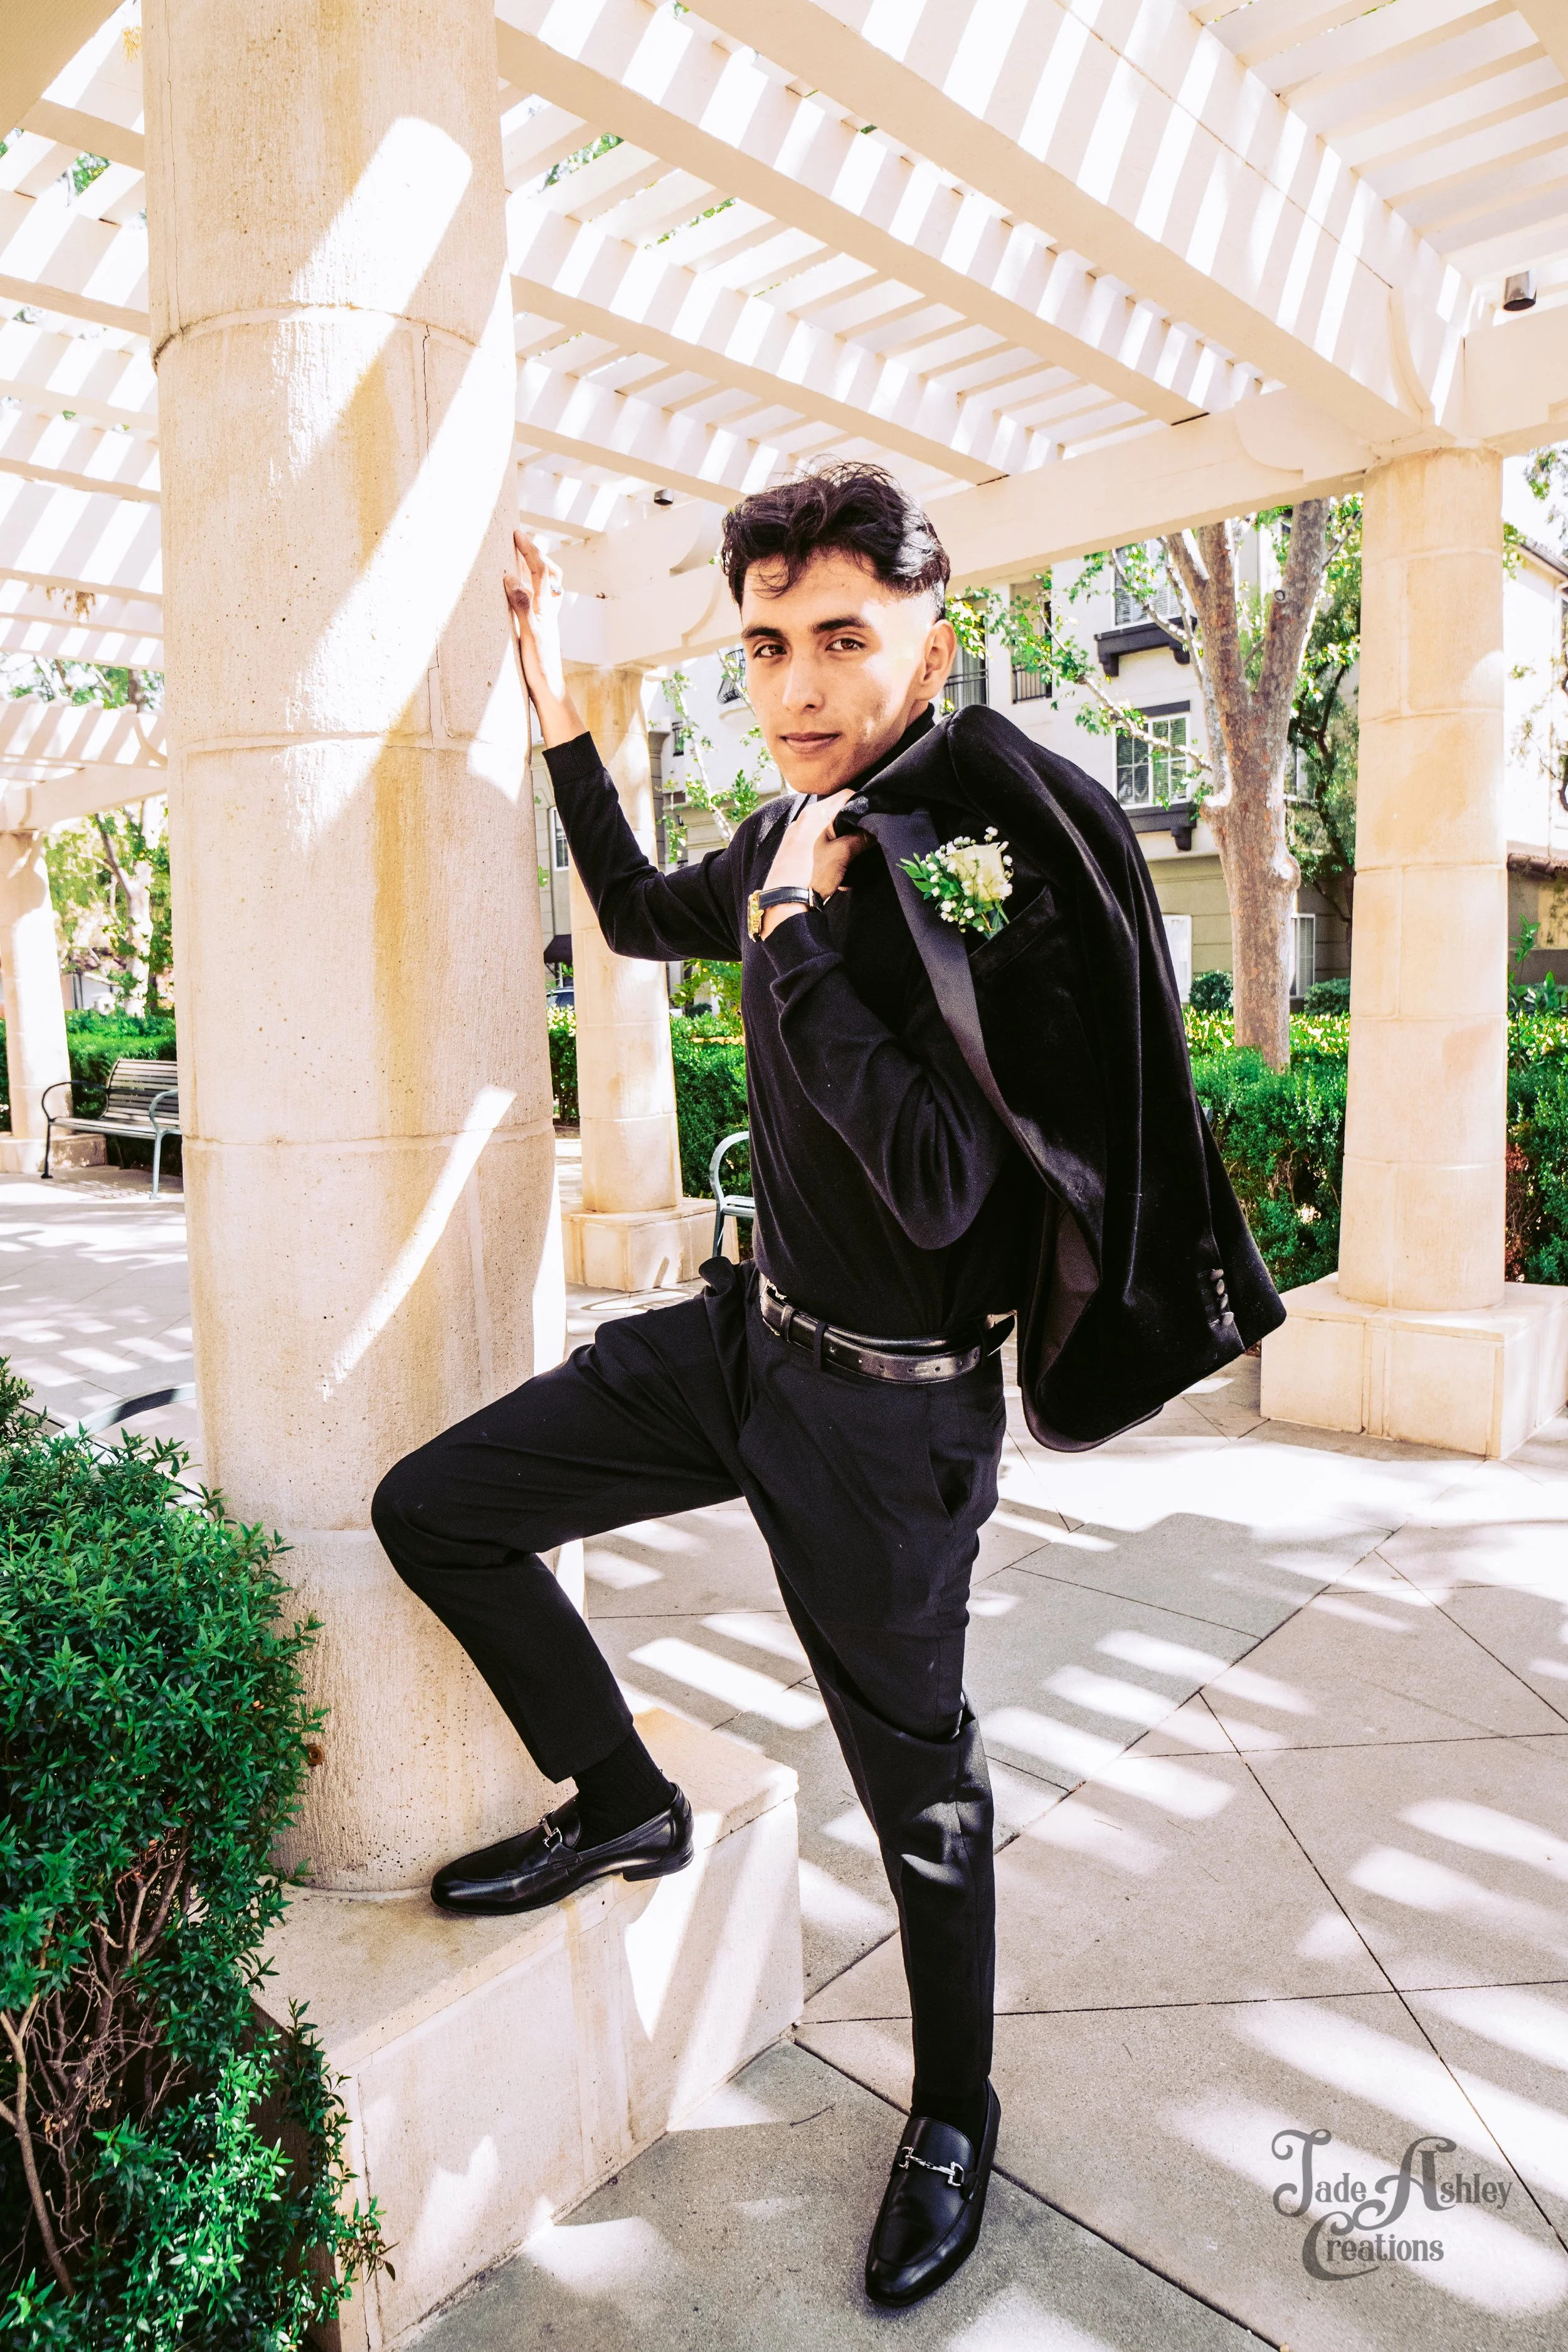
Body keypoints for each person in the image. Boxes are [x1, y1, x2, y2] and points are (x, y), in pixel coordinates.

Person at [372, 460, 1281, 2309]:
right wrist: (559, 703)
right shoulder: (801, 822)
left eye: (841, 639)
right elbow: (630, 910)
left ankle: (955, 2108)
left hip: (892, 1422)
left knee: (917, 1792)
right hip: (739, 1346)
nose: (796, 682)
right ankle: (621, 1794)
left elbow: (948, 1184)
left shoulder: (967, 867)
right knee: (436, 1509)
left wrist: (794, 939)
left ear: (929, 636)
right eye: (768, 643)